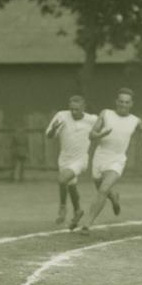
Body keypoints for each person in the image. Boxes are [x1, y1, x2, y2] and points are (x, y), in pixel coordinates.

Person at [75, 88, 142, 233]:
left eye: (126, 102)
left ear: (131, 104)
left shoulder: (135, 120)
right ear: (116, 102)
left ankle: (87, 224)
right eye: (121, 101)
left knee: (103, 189)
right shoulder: (106, 114)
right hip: (101, 156)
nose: (123, 104)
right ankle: (114, 197)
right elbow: (91, 135)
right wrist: (101, 134)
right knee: (100, 186)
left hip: (117, 159)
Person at [46, 95, 98, 226]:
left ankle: (62, 208)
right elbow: (49, 135)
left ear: (83, 107)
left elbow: (105, 126)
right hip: (64, 159)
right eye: (72, 109)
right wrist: (53, 129)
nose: (73, 112)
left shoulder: (92, 120)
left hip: (80, 160)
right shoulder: (61, 116)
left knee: (62, 179)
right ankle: (78, 211)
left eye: (77, 109)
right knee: (71, 186)